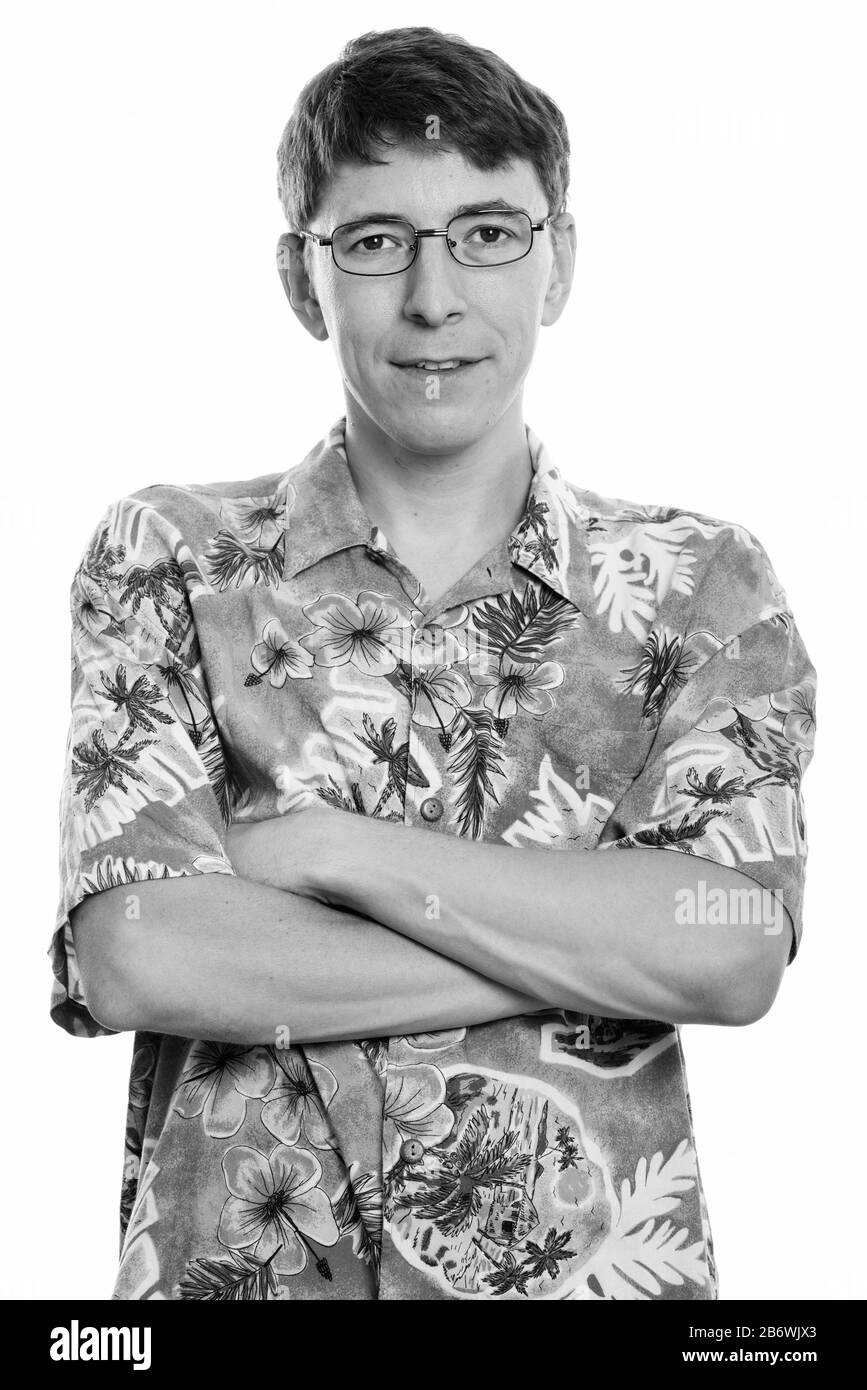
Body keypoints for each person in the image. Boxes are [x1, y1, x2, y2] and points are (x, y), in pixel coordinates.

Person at [52, 26, 817, 1301]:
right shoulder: (171, 559)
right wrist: (576, 939)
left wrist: (331, 851)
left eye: (487, 230)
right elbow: (144, 952)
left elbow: (730, 944)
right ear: (306, 282)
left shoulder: (703, 586)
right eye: (373, 241)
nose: (433, 294)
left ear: (557, 258)